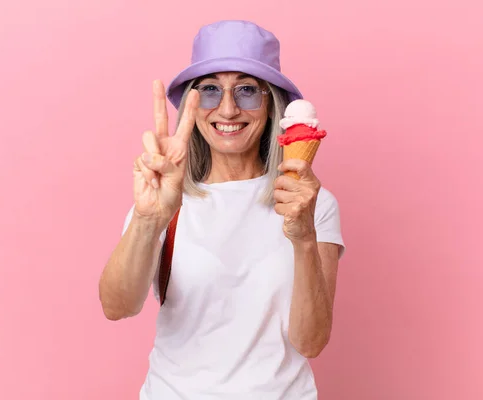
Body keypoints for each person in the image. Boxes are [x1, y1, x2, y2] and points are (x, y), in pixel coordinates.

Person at [99, 20, 345, 400]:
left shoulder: (312, 204)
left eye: (247, 90)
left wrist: (304, 237)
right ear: (192, 106)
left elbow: (311, 342)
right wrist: (149, 220)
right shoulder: (165, 196)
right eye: (210, 90)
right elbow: (117, 306)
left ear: (271, 103)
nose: (228, 110)